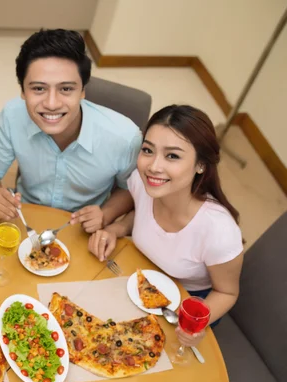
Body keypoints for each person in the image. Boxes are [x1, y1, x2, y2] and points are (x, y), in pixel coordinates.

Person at [88, 105, 243, 344]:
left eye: (172, 156)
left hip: (188, 303)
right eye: (148, 150)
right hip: (141, 276)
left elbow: (227, 292)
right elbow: (141, 212)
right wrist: (115, 229)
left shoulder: (219, 231)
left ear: (201, 165)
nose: (153, 166)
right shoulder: (144, 184)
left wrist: (193, 322)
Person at [0, 29, 141, 233]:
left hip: (82, 229)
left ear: (83, 91)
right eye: (38, 89)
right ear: (22, 91)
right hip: (25, 217)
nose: (51, 104)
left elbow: (132, 189)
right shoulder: (12, 115)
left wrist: (105, 214)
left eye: (66, 89)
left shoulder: (124, 136)